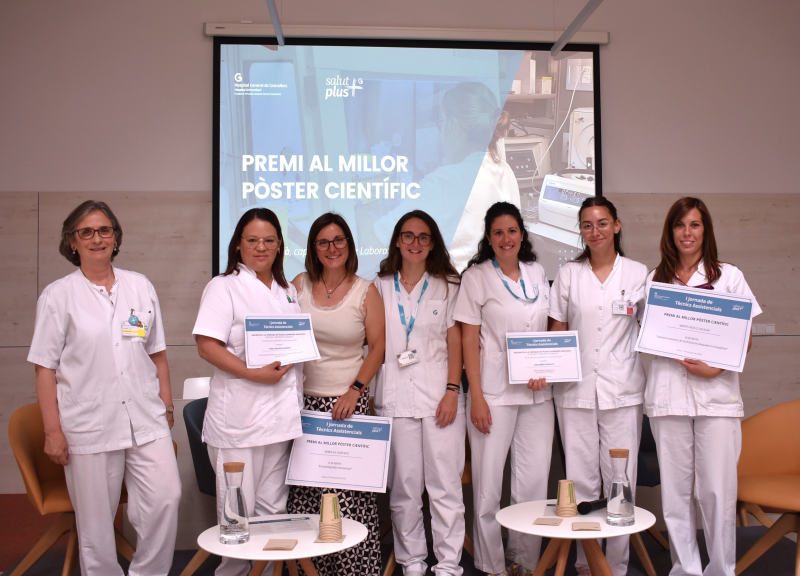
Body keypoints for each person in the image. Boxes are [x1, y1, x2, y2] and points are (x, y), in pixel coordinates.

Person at [28, 200, 180, 576]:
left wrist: (167, 404)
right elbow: (45, 369)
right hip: (89, 423)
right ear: (72, 242)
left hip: (145, 417)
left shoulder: (140, 286)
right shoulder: (58, 296)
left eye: (104, 230)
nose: (97, 239)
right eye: (86, 232)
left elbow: (157, 354)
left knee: (166, 498)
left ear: (116, 237)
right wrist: (52, 431)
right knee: (95, 526)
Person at [647, 197, 760, 576]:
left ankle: (720, 571)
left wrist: (714, 369)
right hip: (669, 396)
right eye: (680, 225)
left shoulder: (729, 277)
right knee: (676, 494)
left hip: (717, 397)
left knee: (716, 492)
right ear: (670, 232)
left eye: (694, 224)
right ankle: (685, 570)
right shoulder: (655, 279)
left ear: (705, 230)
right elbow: (649, 332)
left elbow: (744, 336)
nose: (687, 232)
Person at [193, 208, 304, 576]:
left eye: (269, 240)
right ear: (238, 244)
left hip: (279, 419)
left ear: (280, 245)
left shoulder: (287, 291)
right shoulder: (223, 286)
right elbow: (207, 346)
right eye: (252, 240)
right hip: (239, 422)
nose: (261, 247)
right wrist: (252, 373)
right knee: (237, 519)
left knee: (273, 512)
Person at [548, 197, 648, 576]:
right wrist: (543, 364)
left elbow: (652, 327)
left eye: (602, 223)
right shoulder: (569, 274)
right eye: (587, 225)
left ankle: (616, 567)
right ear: (580, 231)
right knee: (581, 480)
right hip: (574, 392)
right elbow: (557, 330)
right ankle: (586, 564)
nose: (595, 231)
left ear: (616, 226)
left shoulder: (638, 274)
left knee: (620, 481)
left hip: (623, 390)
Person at [453, 202, 553, 576]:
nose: (506, 238)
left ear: (522, 234)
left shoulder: (537, 271)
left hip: (537, 395)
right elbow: (468, 339)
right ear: (488, 238)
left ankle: (523, 561)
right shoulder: (476, 277)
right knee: (488, 487)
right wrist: (476, 397)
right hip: (492, 393)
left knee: (532, 483)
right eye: (498, 232)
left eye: (512, 231)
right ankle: (492, 565)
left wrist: (546, 368)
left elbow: (546, 329)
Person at [286, 213, 386, 576]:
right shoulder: (298, 285)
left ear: (349, 245)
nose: (332, 248)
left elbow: (378, 348)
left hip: (348, 407)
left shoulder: (365, 291)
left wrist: (354, 391)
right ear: (313, 247)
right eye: (324, 242)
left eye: (339, 240)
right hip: (303, 407)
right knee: (307, 501)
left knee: (348, 503)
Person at [374, 210, 465, 576]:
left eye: (423, 236)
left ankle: (448, 564)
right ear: (397, 241)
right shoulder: (379, 286)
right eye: (408, 236)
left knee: (445, 486)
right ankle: (412, 561)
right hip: (395, 398)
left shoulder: (449, 285)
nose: (415, 243)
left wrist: (452, 391)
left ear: (432, 243)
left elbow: (456, 342)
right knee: (404, 489)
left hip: (440, 398)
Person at [373, 82, 520, 273]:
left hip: (456, 287)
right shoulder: (506, 171)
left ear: (454, 125)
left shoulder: (445, 181)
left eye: (442, 123)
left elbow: (383, 233)